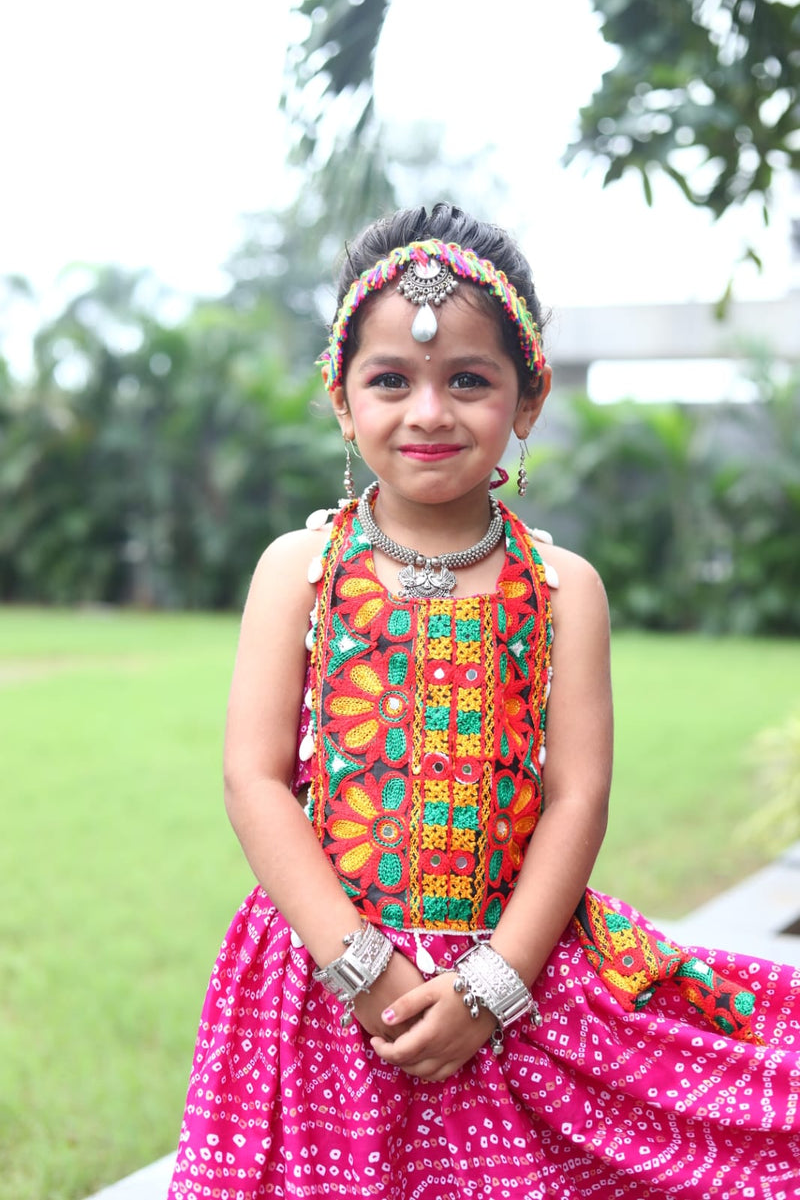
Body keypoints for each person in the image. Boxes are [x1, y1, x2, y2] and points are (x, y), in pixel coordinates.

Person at [168, 203, 800, 1200]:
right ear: (341, 400)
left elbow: (575, 798)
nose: (428, 411)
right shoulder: (300, 570)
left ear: (527, 397)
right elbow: (252, 781)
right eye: (390, 379)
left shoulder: (560, 587)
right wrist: (364, 969)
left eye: (468, 379)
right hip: (320, 988)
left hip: (515, 982)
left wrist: (491, 985)